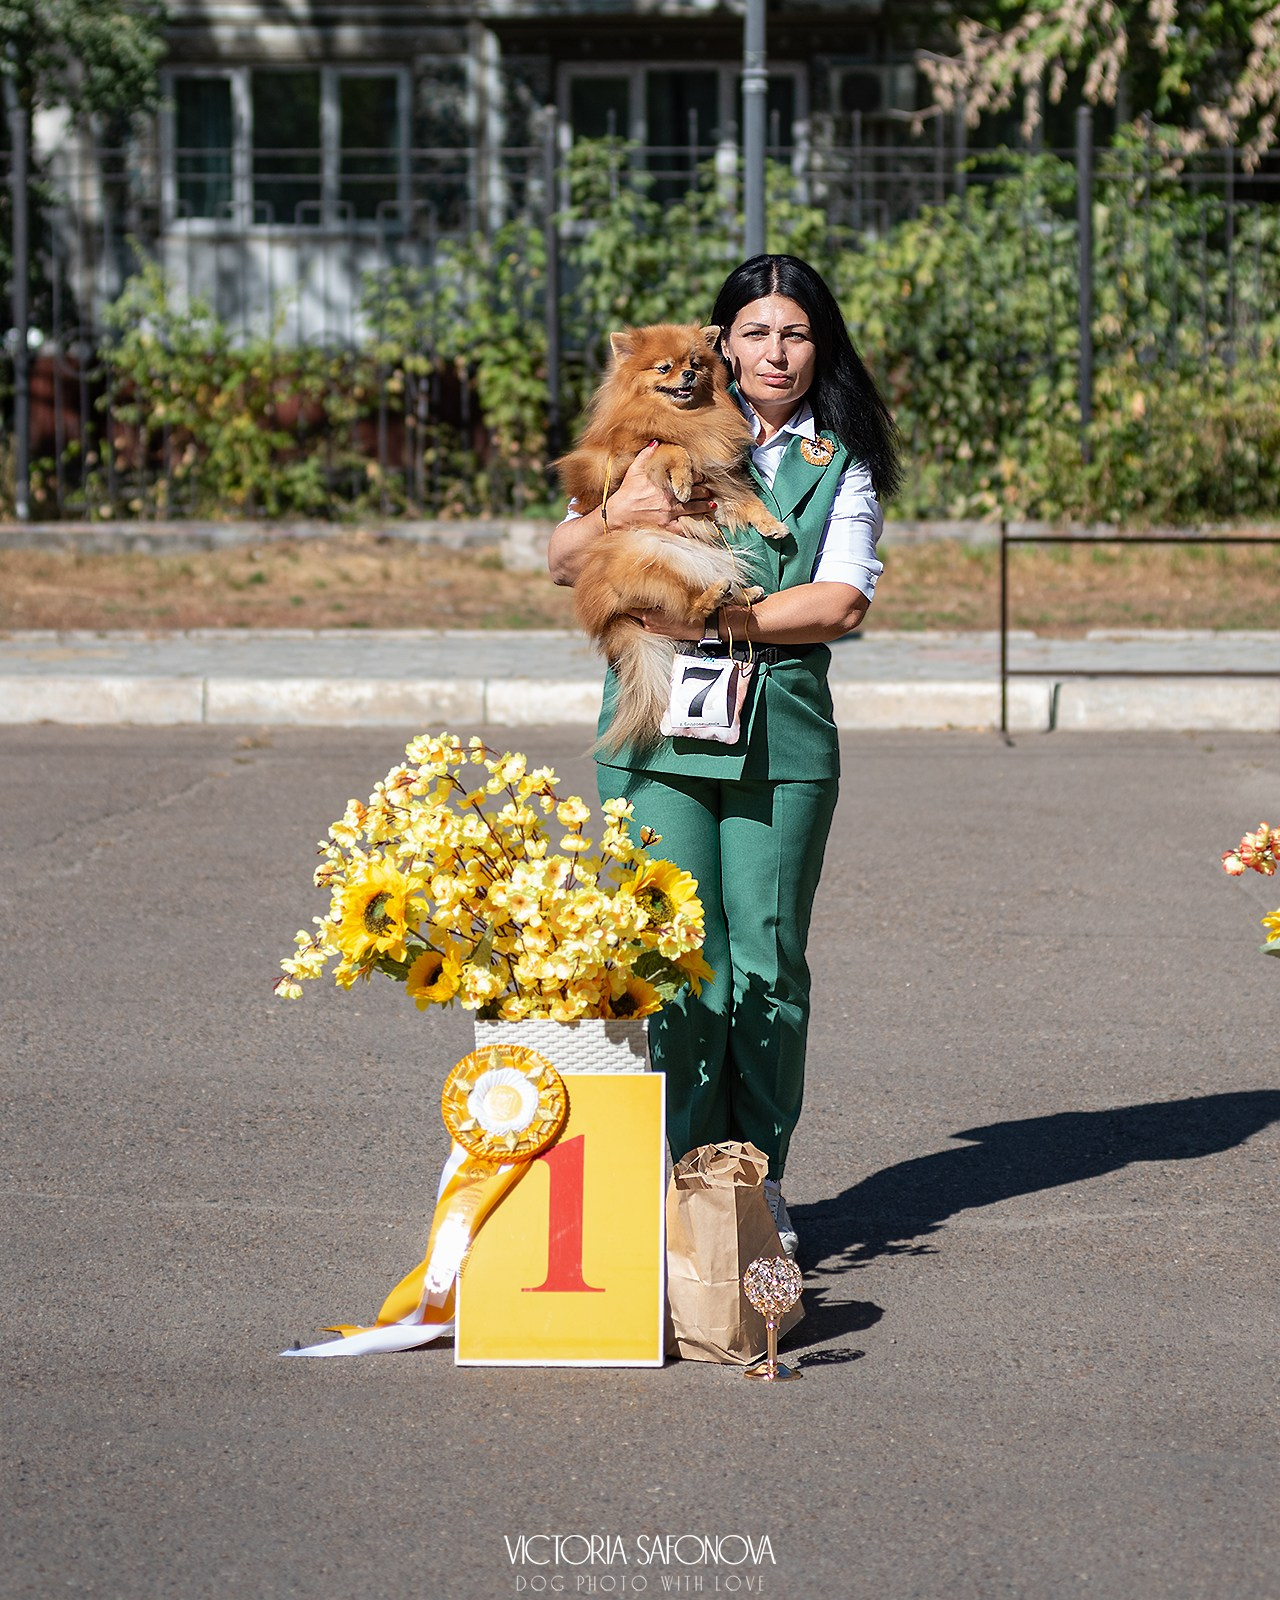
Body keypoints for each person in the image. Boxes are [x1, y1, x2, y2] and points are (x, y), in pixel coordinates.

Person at [547, 253, 901, 1259]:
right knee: (671, 965)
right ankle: (682, 1180)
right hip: (655, 737)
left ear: (817, 346)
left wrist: (712, 618)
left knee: (764, 968)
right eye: (754, 332)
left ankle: (755, 1183)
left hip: (778, 744)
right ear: (720, 344)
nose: (774, 351)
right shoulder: (652, 432)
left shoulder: (841, 462)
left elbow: (836, 602)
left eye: (793, 333)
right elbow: (561, 557)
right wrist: (620, 513)